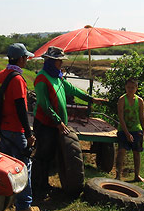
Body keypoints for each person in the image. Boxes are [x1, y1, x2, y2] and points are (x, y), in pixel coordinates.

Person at [32, 46, 107, 201]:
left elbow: (72, 89)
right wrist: (58, 122)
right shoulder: (42, 78)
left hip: (55, 124)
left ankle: (45, 185)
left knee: (51, 154)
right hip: (46, 124)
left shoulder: (58, 77)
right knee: (42, 156)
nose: (61, 64)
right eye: (60, 61)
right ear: (51, 61)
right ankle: (38, 187)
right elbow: (44, 105)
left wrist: (91, 99)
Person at [0, 43, 39, 211]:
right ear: (21, 58)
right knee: (24, 167)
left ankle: (8, 200)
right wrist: (29, 133)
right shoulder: (17, 79)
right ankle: (24, 206)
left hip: (3, 129)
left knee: (8, 167)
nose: (27, 61)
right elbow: (20, 109)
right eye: (26, 58)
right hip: (16, 131)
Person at [116, 78, 144, 182]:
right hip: (124, 129)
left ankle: (137, 175)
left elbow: (142, 118)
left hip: (136, 128)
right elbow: (121, 117)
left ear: (136, 88)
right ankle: (118, 175)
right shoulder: (122, 99)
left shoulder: (140, 101)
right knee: (121, 151)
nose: (130, 89)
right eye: (128, 87)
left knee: (137, 152)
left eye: (132, 87)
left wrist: (142, 132)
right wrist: (127, 133)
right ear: (125, 87)